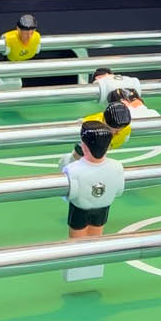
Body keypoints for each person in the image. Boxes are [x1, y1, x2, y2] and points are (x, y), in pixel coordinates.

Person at [62, 120, 125, 282]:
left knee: (77, 239)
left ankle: (76, 270)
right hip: (103, 207)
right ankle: (92, 267)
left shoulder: (73, 169)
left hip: (80, 209)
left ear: (83, 146)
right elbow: (118, 191)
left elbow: (66, 194)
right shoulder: (117, 167)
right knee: (96, 236)